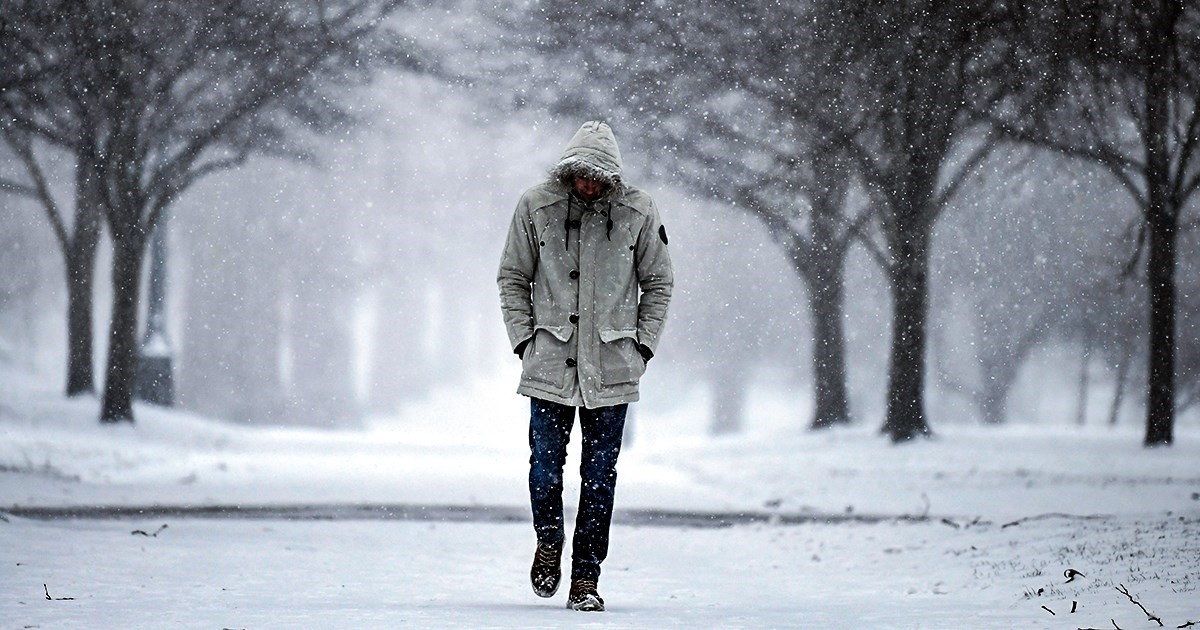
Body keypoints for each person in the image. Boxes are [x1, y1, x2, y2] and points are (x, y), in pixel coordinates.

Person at [497, 121, 673, 612]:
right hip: (549, 360)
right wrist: (523, 341)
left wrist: (643, 347)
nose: (588, 185)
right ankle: (549, 541)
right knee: (544, 467)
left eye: (597, 177)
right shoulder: (536, 206)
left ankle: (586, 581)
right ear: (568, 171)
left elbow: (658, 282)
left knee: (600, 476)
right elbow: (512, 276)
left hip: (614, 367)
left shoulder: (638, 211)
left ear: (612, 176)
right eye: (581, 175)